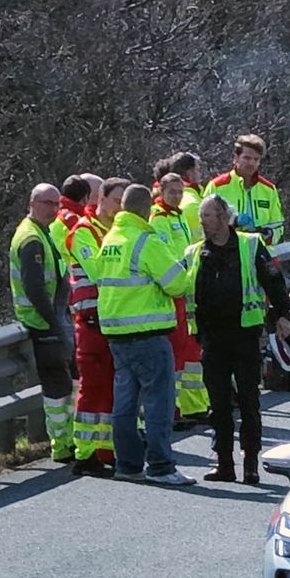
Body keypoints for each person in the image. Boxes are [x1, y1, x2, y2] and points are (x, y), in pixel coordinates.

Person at [90, 183, 194, 481]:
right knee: (158, 402)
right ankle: (161, 467)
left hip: (116, 333)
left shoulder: (111, 238)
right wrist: (186, 264)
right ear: (147, 209)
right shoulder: (145, 241)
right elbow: (177, 284)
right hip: (147, 332)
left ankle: (128, 465)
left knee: (125, 403)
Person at [193, 194, 290, 481]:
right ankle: (224, 463)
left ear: (222, 217)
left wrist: (283, 314)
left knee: (249, 401)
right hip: (211, 337)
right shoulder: (196, 252)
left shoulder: (250, 245)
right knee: (219, 404)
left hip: (244, 334)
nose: (202, 222)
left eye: (207, 217)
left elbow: (273, 280)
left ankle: (250, 464)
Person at [6, 183, 74, 465]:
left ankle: (68, 440)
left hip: (51, 317)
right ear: (33, 203)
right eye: (48, 203)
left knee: (66, 382)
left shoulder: (43, 233)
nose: (54, 209)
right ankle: (61, 444)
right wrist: (54, 324)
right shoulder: (31, 238)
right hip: (41, 322)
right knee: (57, 386)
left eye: (57, 204)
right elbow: (34, 287)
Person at [60, 173, 115, 470]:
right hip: (91, 319)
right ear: (98, 198)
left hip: (112, 318)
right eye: (115, 200)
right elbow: (98, 271)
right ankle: (85, 453)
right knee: (92, 388)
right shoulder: (83, 230)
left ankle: (105, 450)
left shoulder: (112, 229)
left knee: (109, 388)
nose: (120, 206)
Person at [155, 158, 209, 429]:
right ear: (161, 192)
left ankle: (192, 405)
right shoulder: (159, 218)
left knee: (189, 349)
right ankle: (173, 407)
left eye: (179, 192)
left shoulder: (177, 216)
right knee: (176, 351)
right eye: (171, 193)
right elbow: (166, 256)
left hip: (186, 288)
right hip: (171, 291)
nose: (176, 197)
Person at [208, 134, 286, 241]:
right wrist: (233, 222)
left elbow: (278, 225)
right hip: (227, 253)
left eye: (256, 159)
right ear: (236, 158)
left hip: (260, 253)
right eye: (247, 158)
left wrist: (269, 235)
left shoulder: (269, 189)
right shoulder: (217, 186)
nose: (251, 163)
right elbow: (206, 222)